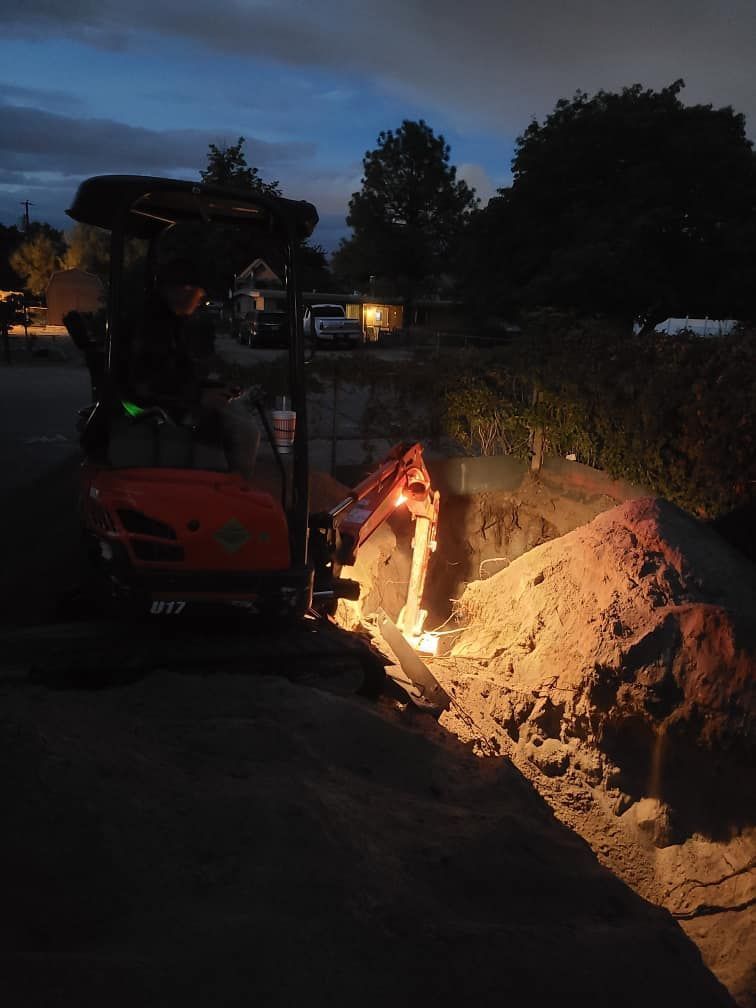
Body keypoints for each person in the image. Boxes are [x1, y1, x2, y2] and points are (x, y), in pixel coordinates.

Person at [125, 258, 259, 478]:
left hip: (173, 400)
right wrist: (199, 396)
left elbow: (175, 374)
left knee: (238, 416)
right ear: (183, 290)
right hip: (155, 408)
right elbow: (147, 384)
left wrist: (213, 387)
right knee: (245, 431)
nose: (200, 301)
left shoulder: (169, 321)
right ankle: (233, 492)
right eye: (199, 294)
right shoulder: (151, 326)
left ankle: (225, 485)